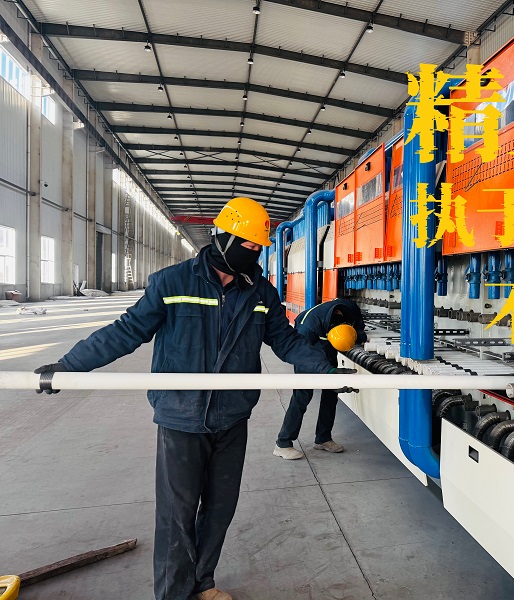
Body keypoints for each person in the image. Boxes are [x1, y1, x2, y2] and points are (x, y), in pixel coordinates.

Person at [32, 197, 356, 600]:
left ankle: (203, 583)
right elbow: (124, 332)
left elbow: (286, 341)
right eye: (248, 246)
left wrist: (324, 371)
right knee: (177, 515)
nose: (254, 255)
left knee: (220, 510)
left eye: (259, 248)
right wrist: (68, 367)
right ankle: (174, 594)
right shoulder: (172, 283)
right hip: (180, 416)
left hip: (232, 416)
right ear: (224, 239)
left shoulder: (260, 292)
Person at [273, 298, 367, 459]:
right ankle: (283, 443)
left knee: (331, 394)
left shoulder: (351, 309)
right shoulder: (308, 326)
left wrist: (357, 336)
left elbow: (359, 330)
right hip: (307, 352)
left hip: (329, 349)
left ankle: (323, 439)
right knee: (302, 396)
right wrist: (327, 371)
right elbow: (301, 354)